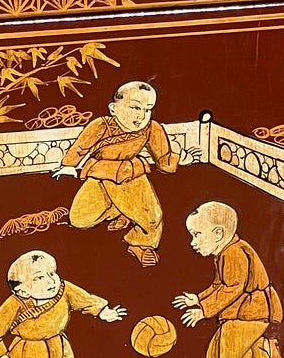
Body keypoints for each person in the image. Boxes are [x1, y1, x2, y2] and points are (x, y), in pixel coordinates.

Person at [64, 80, 197, 266]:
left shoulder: (152, 128)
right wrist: (68, 165)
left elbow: (163, 159)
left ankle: (140, 245)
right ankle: (121, 211)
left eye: (148, 109)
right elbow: (80, 147)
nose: (141, 115)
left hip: (132, 174)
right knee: (79, 218)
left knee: (152, 217)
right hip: (102, 173)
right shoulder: (100, 125)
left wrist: (180, 159)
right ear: (113, 108)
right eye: (135, 107)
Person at [174, 201, 284, 358]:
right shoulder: (225, 253)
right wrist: (198, 298)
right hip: (242, 313)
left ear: (217, 233)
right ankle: (267, 349)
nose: (192, 242)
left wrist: (203, 311)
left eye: (197, 234)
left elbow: (232, 289)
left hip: (248, 314)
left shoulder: (233, 254)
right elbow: (219, 285)